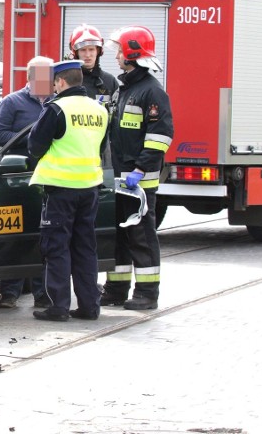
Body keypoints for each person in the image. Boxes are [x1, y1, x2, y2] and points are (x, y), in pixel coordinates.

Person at [27, 59, 109, 322]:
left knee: (57, 248)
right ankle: (89, 306)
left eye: (54, 82)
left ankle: (58, 307)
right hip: (90, 188)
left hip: (61, 189)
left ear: (61, 82)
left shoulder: (57, 109)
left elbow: (35, 146)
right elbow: (101, 146)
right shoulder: (99, 110)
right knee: (86, 248)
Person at [100, 26, 174, 310]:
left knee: (141, 236)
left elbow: (161, 135)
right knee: (118, 235)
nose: (116, 56)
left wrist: (141, 170)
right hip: (118, 178)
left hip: (138, 182)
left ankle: (147, 293)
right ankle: (116, 289)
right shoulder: (124, 90)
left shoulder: (152, 92)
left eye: (119, 51)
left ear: (132, 54)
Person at [0, 55, 54, 309]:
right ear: (28, 77)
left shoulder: (57, 104)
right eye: (40, 77)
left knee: (44, 236)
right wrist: (32, 137)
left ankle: (42, 293)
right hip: (18, 177)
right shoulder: (12, 102)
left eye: (49, 78)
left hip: (50, 177)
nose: (45, 83)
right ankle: (10, 292)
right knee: (16, 234)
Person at [68, 24, 118, 104]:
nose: (87, 55)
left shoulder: (109, 81)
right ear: (76, 53)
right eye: (83, 50)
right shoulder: (66, 81)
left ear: (98, 51)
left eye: (91, 49)